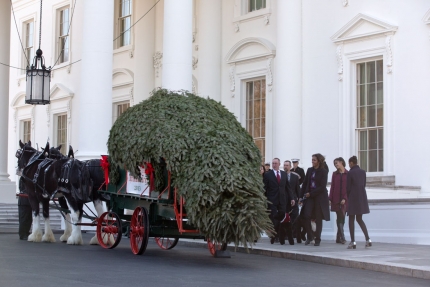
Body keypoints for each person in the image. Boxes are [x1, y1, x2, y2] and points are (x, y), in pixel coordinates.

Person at [300, 153, 330, 246]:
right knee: (306, 215)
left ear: (319, 161)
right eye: (312, 160)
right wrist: (301, 197)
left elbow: (322, 186)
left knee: (318, 217)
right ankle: (309, 236)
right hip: (309, 197)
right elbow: (305, 184)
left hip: (319, 197)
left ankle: (318, 238)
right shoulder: (309, 170)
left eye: (314, 160)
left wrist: (311, 194)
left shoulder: (323, 172)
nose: (312, 161)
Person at [263, 158, 295, 245]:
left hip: (282, 200)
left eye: (276, 163)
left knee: (283, 219)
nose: (274, 165)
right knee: (274, 218)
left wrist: (292, 198)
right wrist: (263, 198)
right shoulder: (268, 175)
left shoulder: (284, 174)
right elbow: (264, 188)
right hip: (272, 200)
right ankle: (274, 236)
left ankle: (281, 236)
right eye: (273, 163)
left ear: (279, 164)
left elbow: (288, 187)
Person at [346, 156, 371, 249]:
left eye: (349, 163)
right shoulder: (363, 172)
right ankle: (368, 239)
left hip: (353, 197)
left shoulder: (350, 173)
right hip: (362, 197)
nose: (349, 165)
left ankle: (353, 241)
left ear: (352, 163)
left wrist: (348, 196)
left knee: (351, 219)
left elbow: (348, 187)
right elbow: (363, 184)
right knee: (359, 219)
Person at [329, 157, 348, 244]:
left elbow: (349, 187)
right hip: (336, 198)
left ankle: (338, 237)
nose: (336, 165)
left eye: (337, 163)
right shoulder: (334, 174)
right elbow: (332, 186)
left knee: (342, 216)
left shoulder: (348, 174)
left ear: (341, 162)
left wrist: (345, 198)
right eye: (335, 164)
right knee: (339, 216)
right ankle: (342, 237)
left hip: (345, 199)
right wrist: (330, 198)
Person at [283, 160, 300, 245]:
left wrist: (299, 198)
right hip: (284, 200)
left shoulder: (295, 177)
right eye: (284, 165)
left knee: (295, 215)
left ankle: (292, 232)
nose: (285, 167)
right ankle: (285, 233)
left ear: (290, 167)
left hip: (294, 199)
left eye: (287, 165)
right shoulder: (281, 175)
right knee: (285, 217)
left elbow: (297, 189)